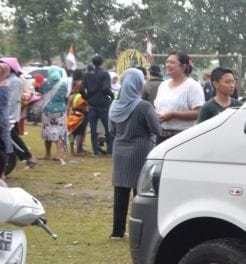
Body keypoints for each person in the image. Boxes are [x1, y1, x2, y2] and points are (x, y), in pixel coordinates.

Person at [109, 68, 160, 239]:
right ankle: (141, 233)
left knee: (120, 194)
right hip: (140, 152)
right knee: (140, 195)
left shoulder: (115, 106)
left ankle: (117, 231)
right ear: (139, 84)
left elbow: (111, 130)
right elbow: (156, 128)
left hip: (120, 152)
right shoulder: (144, 106)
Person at [153, 51, 204, 140]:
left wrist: (173, 115)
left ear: (183, 66)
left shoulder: (192, 86)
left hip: (182, 137)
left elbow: (198, 112)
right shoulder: (163, 85)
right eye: (167, 62)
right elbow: (156, 107)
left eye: (172, 62)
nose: (168, 65)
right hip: (161, 136)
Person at [1, 57, 37, 168]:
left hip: (8, 114)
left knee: (11, 138)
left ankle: (27, 156)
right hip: (6, 114)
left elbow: (12, 100)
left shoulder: (15, 81)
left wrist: (8, 117)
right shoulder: (7, 80)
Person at [82, 54, 114, 155]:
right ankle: (110, 150)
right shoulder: (105, 74)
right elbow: (106, 88)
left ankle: (96, 151)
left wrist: (87, 98)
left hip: (92, 104)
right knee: (108, 128)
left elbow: (82, 89)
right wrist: (111, 96)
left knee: (93, 129)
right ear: (102, 63)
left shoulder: (87, 75)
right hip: (103, 104)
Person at [39, 66, 69, 163]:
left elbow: (42, 93)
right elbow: (65, 97)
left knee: (47, 130)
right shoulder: (64, 84)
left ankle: (47, 154)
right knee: (59, 131)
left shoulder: (45, 83)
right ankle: (58, 154)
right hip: (60, 111)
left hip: (47, 110)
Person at [66, 71, 88, 156]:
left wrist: (68, 116)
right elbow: (85, 107)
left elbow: (68, 107)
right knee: (80, 133)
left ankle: (72, 150)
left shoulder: (71, 96)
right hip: (80, 116)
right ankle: (78, 149)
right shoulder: (81, 96)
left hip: (72, 115)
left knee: (72, 133)